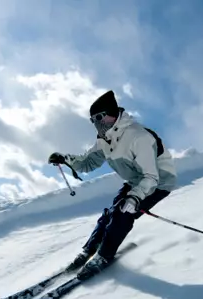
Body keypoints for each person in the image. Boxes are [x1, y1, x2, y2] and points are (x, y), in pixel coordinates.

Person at [48, 90, 177, 278]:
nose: (96, 123)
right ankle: (89, 250)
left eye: (99, 117)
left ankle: (104, 255)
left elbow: (150, 176)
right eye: (93, 120)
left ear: (113, 114)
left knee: (123, 213)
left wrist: (134, 198)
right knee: (109, 214)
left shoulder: (138, 136)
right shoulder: (104, 140)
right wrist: (66, 159)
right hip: (135, 180)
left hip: (158, 181)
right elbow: (87, 162)